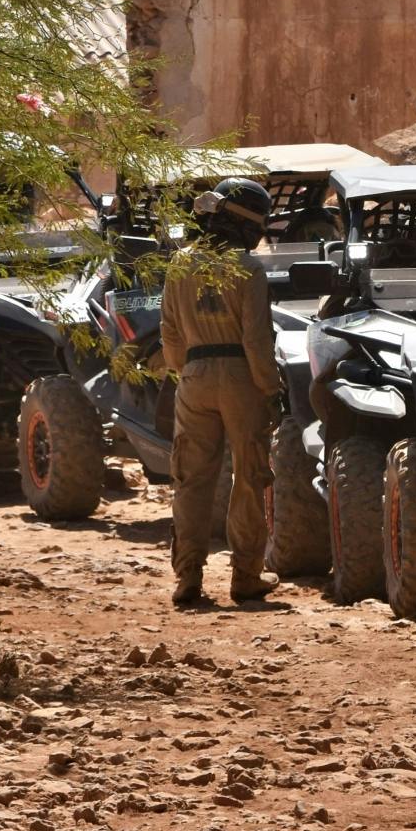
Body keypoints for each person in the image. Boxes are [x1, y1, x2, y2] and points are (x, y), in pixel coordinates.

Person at [159, 177, 284, 607]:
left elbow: (170, 336)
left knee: (191, 480)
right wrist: (271, 389)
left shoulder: (179, 265)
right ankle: (245, 576)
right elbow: (256, 341)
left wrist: (187, 372)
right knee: (249, 478)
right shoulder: (250, 269)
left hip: (193, 376)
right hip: (241, 378)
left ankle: (188, 577)